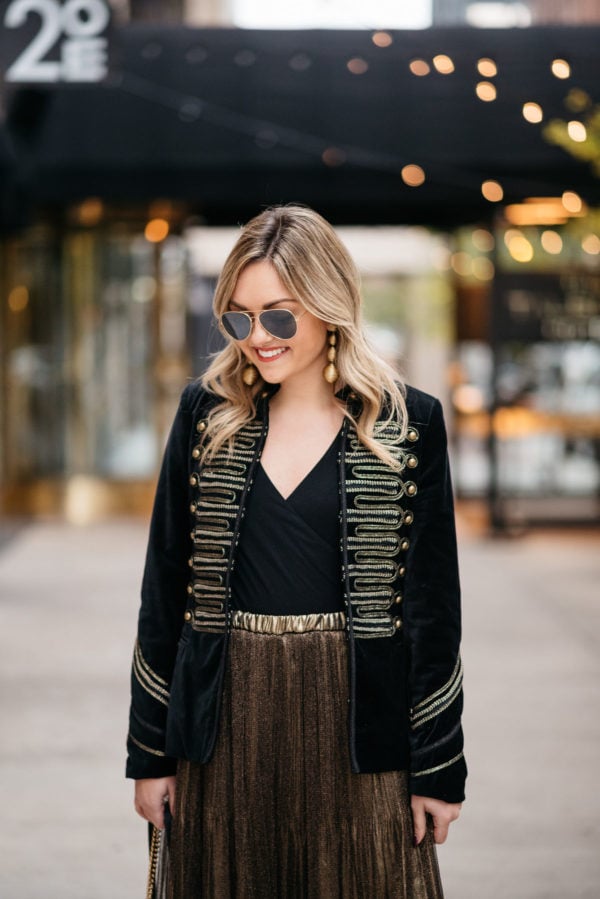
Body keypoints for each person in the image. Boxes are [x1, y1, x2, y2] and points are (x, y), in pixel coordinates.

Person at [126, 204, 466, 898]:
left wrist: (438, 768)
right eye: (239, 317)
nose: (259, 337)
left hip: (357, 729)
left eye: (279, 316)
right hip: (224, 725)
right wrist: (148, 754)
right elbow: (164, 590)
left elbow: (433, 610)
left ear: (328, 303)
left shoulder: (407, 424)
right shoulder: (204, 413)